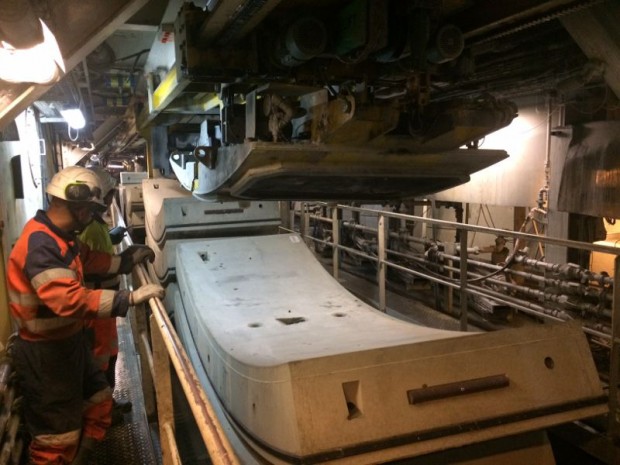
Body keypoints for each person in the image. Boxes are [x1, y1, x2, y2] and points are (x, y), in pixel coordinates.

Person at [7, 166, 165, 465]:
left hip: (68, 342)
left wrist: (124, 262)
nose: (93, 217)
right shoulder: (41, 245)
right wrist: (128, 298)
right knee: (57, 438)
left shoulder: (59, 238)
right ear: (78, 207)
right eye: (91, 210)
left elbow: (88, 260)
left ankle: (83, 458)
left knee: (99, 401)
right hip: (46, 353)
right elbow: (66, 300)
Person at [78, 167, 130, 424]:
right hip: (99, 305)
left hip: (101, 304)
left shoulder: (93, 228)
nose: (110, 201)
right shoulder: (93, 229)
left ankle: (106, 408)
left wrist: (111, 237)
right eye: (109, 196)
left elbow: (93, 255)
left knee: (107, 355)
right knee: (103, 359)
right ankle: (103, 414)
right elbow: (95, 263)